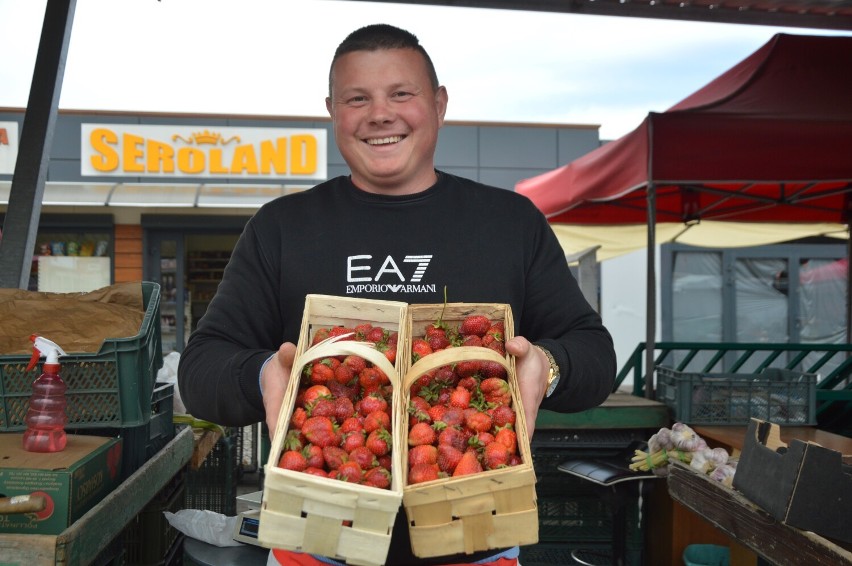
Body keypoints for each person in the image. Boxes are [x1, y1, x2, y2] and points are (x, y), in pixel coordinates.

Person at [178, 23, 616, 566]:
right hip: (317, 549)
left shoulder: (509, 223)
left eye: (401, 94)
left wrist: (545, 367)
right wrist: (265, 372)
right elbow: (200, 371)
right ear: (333, 110)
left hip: (477, 548)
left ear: (438, 104)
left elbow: (595, 355)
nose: (380, 113)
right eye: (357, 98)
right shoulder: (282, 228)